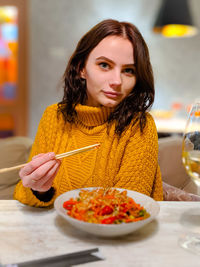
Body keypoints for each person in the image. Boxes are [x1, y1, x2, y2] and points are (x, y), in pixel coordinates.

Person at [14, 19, 163, 207]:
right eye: (104, 65)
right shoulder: (54, 117)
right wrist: (40, 189)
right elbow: (23, 193)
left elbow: (128, 207)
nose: (117, 80)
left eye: (128, 70)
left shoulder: (140, 126)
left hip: (118, 235)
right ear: (81, 68)